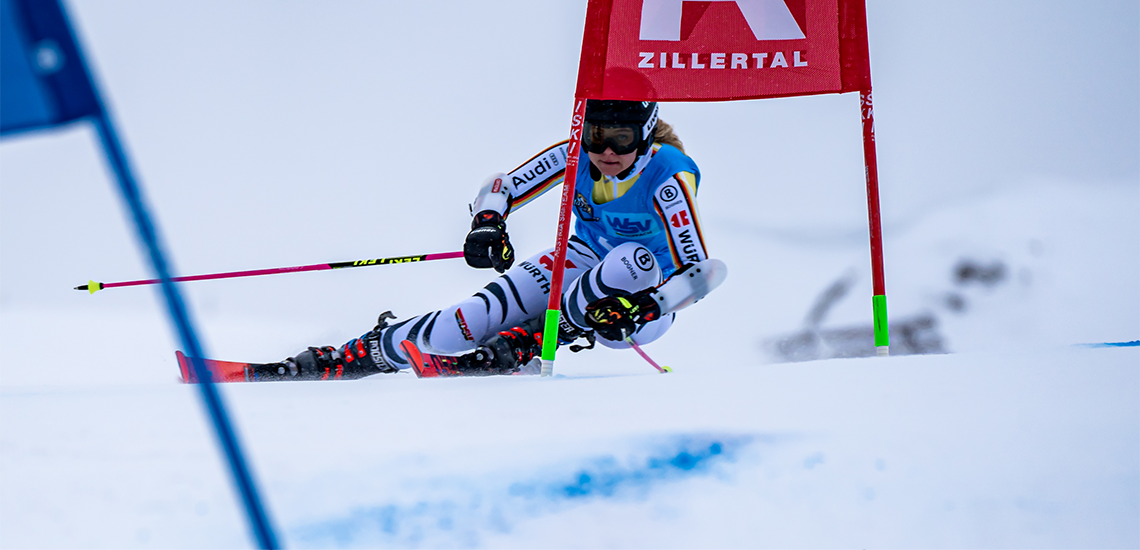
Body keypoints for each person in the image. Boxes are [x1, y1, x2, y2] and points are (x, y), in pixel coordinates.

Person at [261, 100, 716, 379]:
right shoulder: (577, 154)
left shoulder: (668, 175)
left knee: (630, 259)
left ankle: (526, 344)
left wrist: (647, 306)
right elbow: (503, 185)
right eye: (597, 136)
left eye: (622, 137)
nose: (608, 151)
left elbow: (703, 271)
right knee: (468, 321)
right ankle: (359, 354)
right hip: (581, 259)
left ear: (646, 133)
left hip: (642, 298)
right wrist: (488, 222)